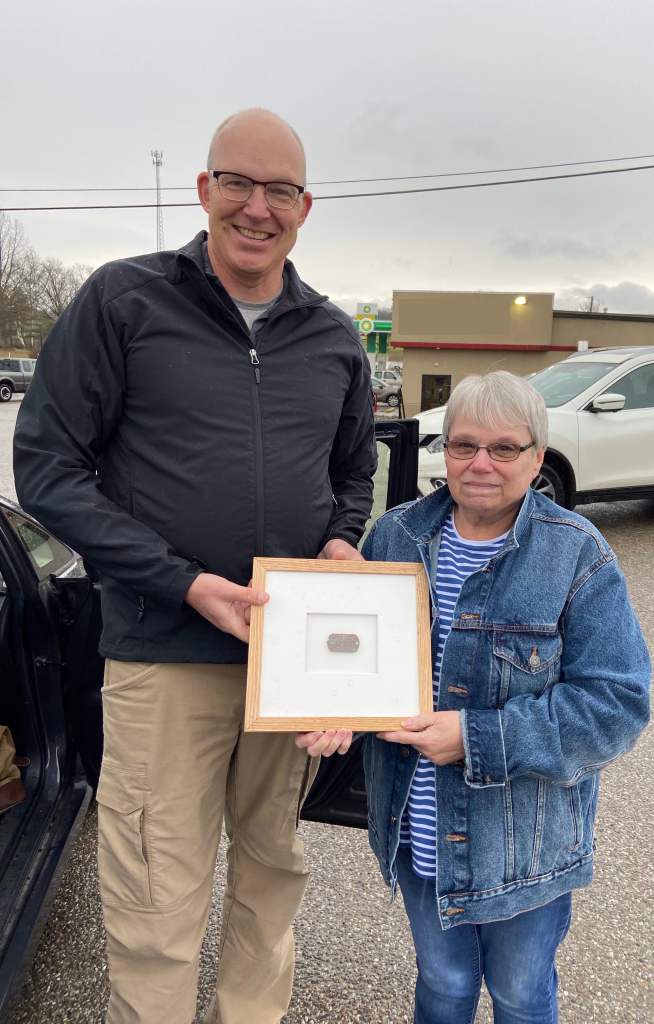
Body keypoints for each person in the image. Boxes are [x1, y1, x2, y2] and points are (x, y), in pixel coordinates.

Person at [13, 108, 372, 1024]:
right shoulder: (124, 301)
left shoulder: (333, 337)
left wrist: (341, 541)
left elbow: (352, 472)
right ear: (205, 189)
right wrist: (180, 581)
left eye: (280, 191)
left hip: (288, 665)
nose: (258, 208)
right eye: (238, 184)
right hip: (163, 653)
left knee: (272, 872)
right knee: (154, 891)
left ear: (305, 207)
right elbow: (49, 468)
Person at [359, 371, 651, 1024]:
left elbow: (617, 705)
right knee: (443, 984)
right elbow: (361, 669)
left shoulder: (577, 556)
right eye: (464, 445)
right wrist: (333, 719)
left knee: (520, 994)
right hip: (419, 828)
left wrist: (476, 738)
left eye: (504, 448)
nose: (480, 464)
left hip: (522, 844)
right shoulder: (395, 537)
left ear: (537, 457)